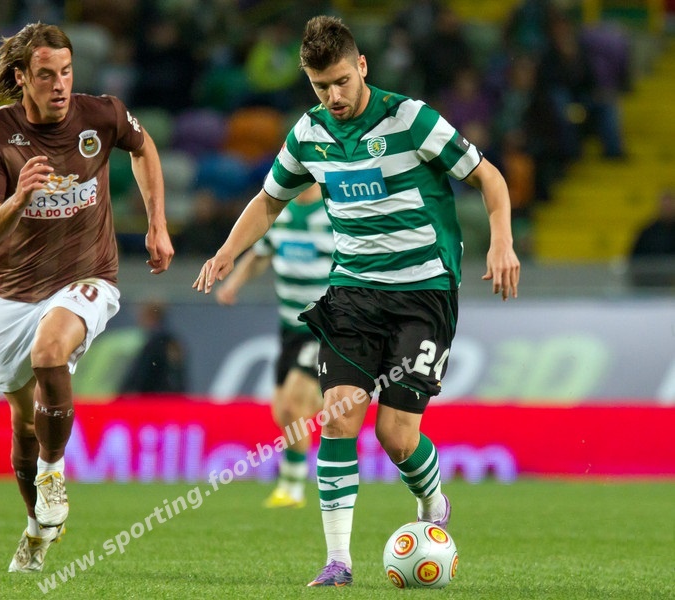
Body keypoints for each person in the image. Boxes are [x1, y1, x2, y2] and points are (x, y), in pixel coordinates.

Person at [193, 15, 520, 588]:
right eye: (321, 86)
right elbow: (269, 201)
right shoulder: (308, 133)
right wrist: (227, 252)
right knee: (339, 414)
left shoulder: (410, 119)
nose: (334, 96)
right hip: (352, 293)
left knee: (396, 435)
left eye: (342, 81)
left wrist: (502, 242)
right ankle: (338, 562)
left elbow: (489, 178)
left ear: (362, 65)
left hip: (423, 292)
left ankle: (433, 500)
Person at [0, 22, 174, 573]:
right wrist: (20, 197)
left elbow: (144, 147)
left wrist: (156, 223)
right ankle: (37, 528)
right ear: (21, 77)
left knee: (49, 351)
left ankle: (53, 474)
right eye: (45, 75)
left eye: (66, 72)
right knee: (22, 423)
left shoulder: (101, 115)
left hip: (88, 275)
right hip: (14, 293)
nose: (59, 84)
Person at [214, 185, 332, 508]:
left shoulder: (332, 212)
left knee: (294, 404)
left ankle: (292, 488)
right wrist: (234, 283)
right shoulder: (279, 213)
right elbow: (260, 254)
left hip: (323, 326)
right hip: (289, 327)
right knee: (282, 410)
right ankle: (335, 400)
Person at [119, 300, 188, 394]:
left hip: (152, 398)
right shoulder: (173, 342)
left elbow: (140, 376)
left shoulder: (155, 343)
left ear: (150, 316)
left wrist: (125, 391)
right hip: (170, 397)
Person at [629, 189, 675, 288]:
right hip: (653, 287)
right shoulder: (647, 232)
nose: (667, 208)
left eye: (670, 205)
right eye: (664, 205)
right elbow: (635, 259)